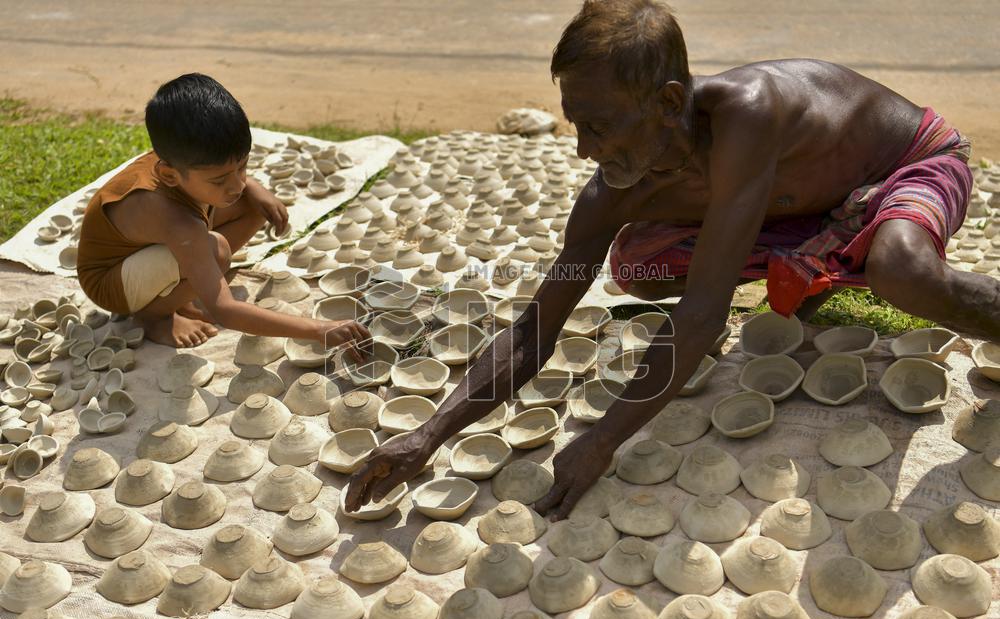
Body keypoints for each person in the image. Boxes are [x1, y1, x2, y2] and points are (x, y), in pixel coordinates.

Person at [346, 0, 999, 517]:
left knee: (902, 272)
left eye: (598, 126)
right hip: (795, 209)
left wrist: (602, 440)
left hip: (903, 166)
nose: (581, 149)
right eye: (575, 124)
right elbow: (534, 329)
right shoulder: (608, 197)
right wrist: (430, 432)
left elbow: (702, 314)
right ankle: (817, 266)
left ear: (666, 103)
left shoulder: (748, 115)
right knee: (636, 263)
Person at [77, 73, 370, 354]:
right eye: (219, 180)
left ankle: (183, 282)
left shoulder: (183, 155)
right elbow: (225, 310)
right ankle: (154, 316)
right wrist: (318, 330)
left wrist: (253, 186)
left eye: (242, 166)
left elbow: (230, 181)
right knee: (216, 249)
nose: (236, 184)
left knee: (254, 207)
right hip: (110, 282)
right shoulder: (177, 220)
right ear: (169, 175)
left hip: (149, 251)